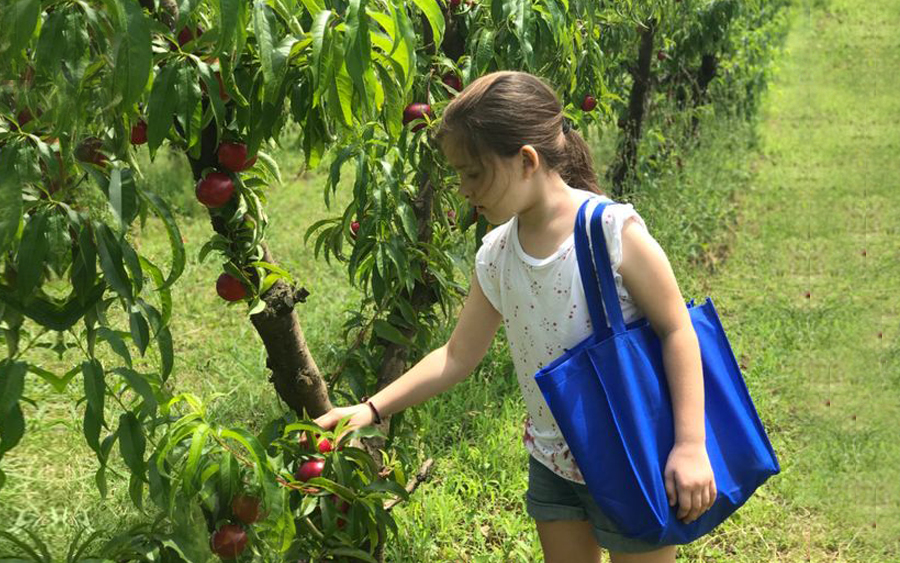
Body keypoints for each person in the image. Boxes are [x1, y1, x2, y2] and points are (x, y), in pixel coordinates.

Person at [314, 70, 716, 563]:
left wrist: (691, 444)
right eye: (459, 174)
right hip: (552, 460)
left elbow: (676, 328)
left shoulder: (610, 232)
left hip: (634, 451)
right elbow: (458, 354)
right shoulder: (497, 254)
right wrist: (372, 409)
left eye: (473, 173)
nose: (463, 189)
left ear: (527, 160)